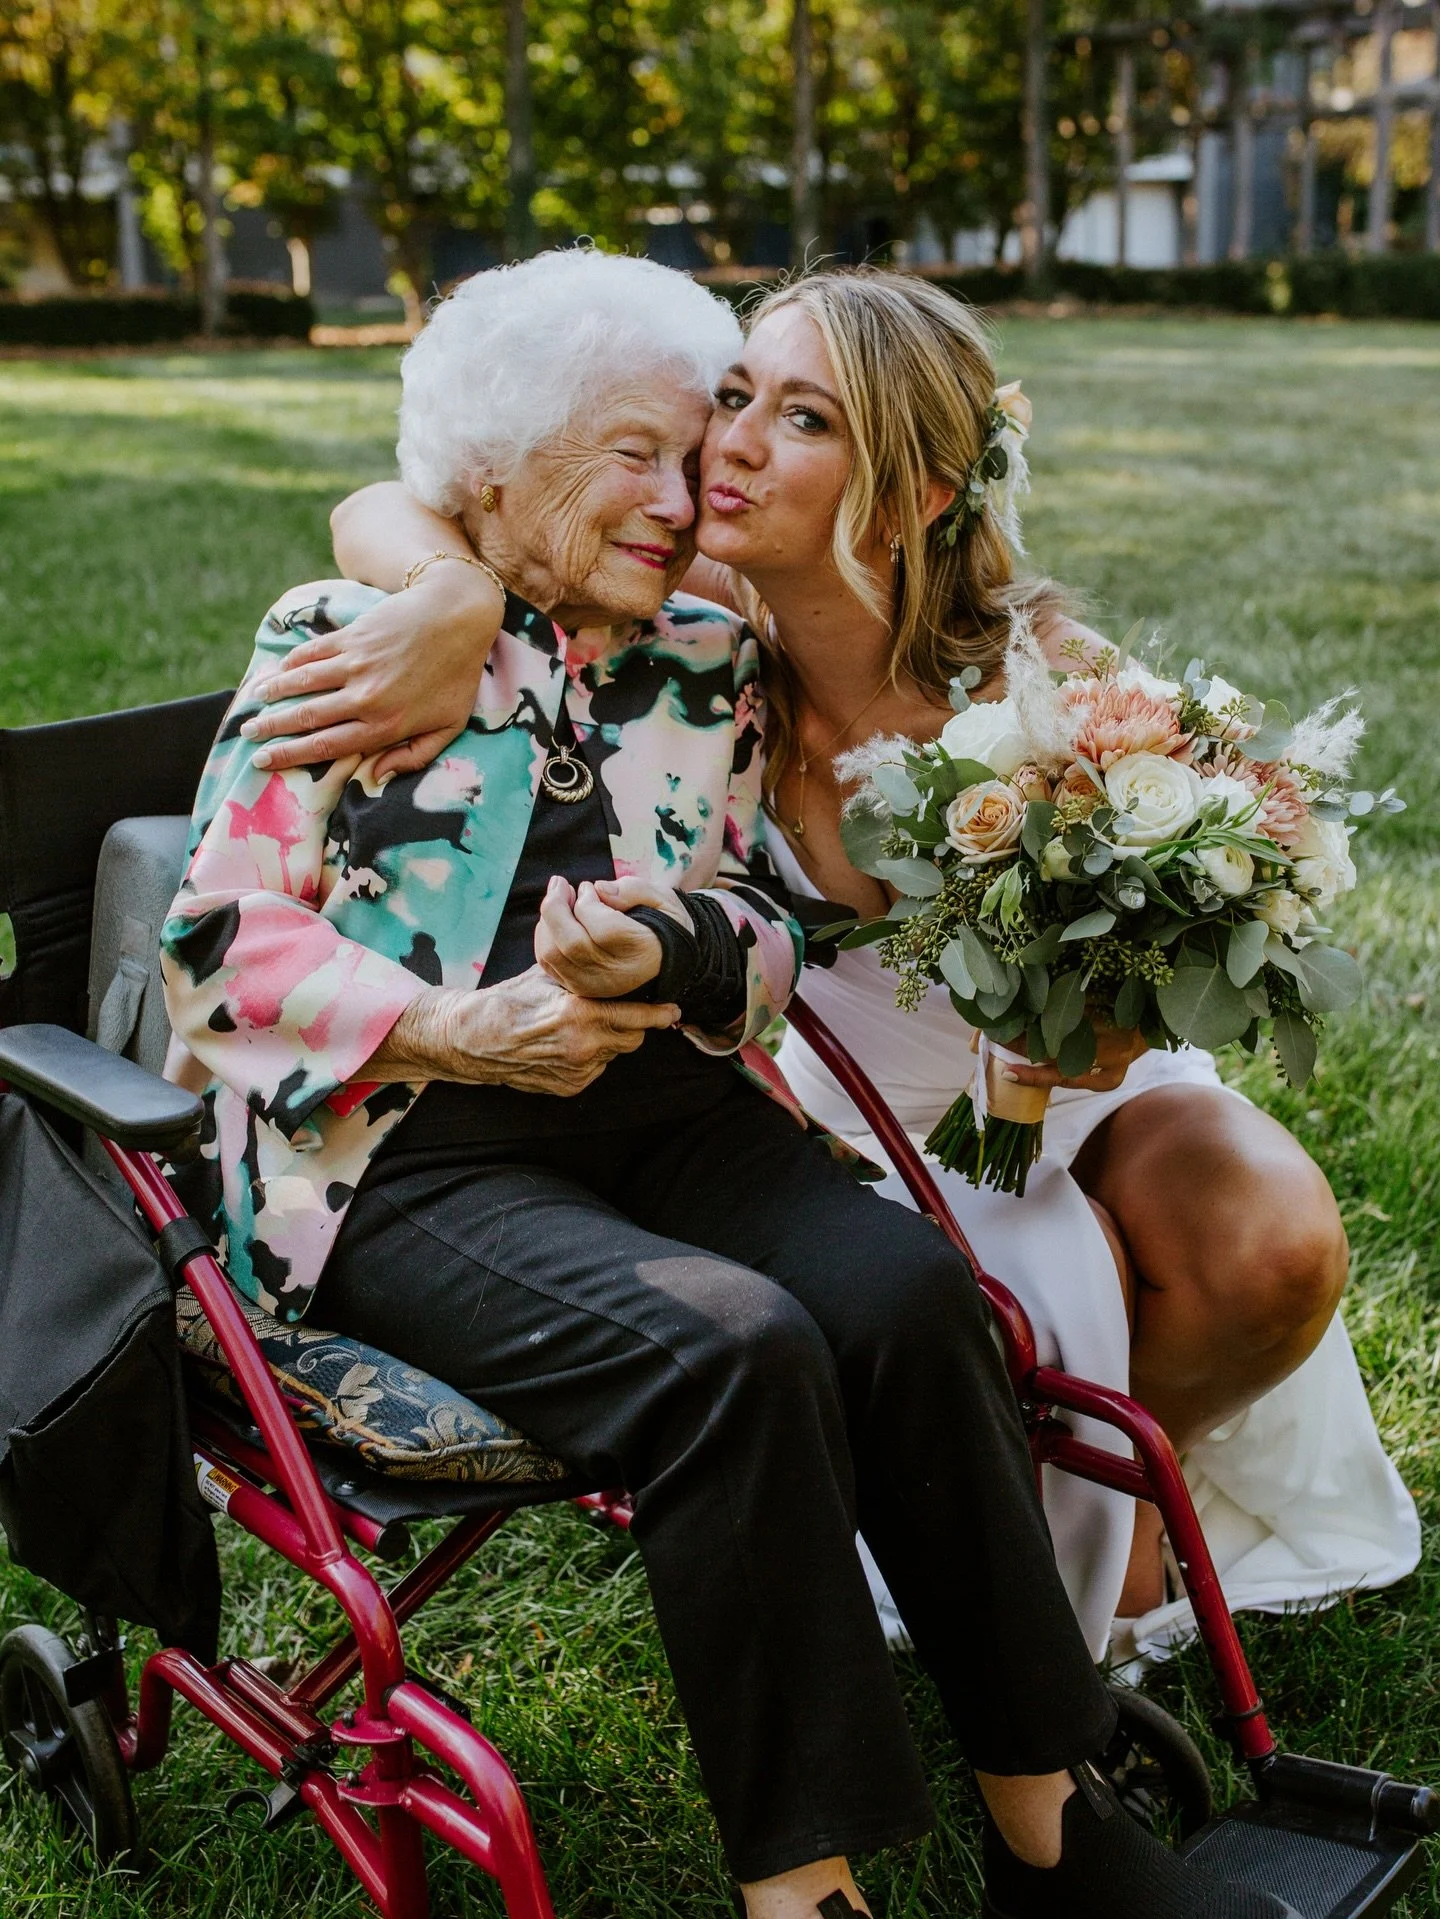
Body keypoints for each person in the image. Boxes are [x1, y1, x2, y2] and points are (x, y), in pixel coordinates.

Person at [161, 248, 1299, 1919]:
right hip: (403, 1156)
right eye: (638, 455)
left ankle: (1052, 1825)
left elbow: (766, 934)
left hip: (667, 1118)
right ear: (495, 468)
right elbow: (210, 949)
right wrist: (447, 1026)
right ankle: (804, 1894)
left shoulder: (709, 658)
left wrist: (680, 955)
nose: (685, 496)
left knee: (918, 1295)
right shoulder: (349, 640)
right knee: (733, 1348)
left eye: (691, 456)